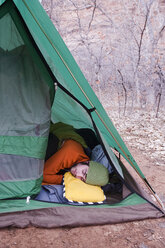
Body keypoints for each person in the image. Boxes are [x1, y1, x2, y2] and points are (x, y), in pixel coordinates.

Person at [42, 139, 109, 186]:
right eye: (83, 172)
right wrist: (64, 179)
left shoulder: (80, 164)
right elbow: (42, 175)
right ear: (87, 162)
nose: (78, 175)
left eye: (82, 179)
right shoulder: (70, 153)